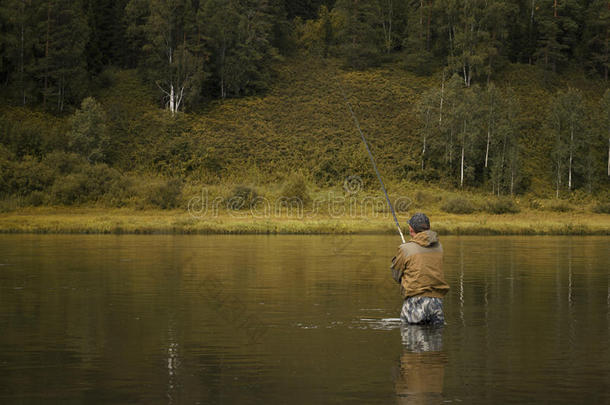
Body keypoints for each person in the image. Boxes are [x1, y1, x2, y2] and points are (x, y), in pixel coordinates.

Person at [390, 213, 449, 324]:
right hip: (437, 302)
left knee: (411, 335)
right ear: (428, 228)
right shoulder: (439, 247)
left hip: (415, 301)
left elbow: (396, 274)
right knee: (434, 338)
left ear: (411, 229)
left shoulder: (405, 249)